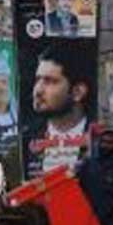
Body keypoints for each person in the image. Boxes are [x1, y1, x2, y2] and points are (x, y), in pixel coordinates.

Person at [27, 40, 94, 172]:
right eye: (37, 80)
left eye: (50, 81)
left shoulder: (99, 138)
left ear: (77, 92)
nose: (38, 90)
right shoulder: (27, 138)